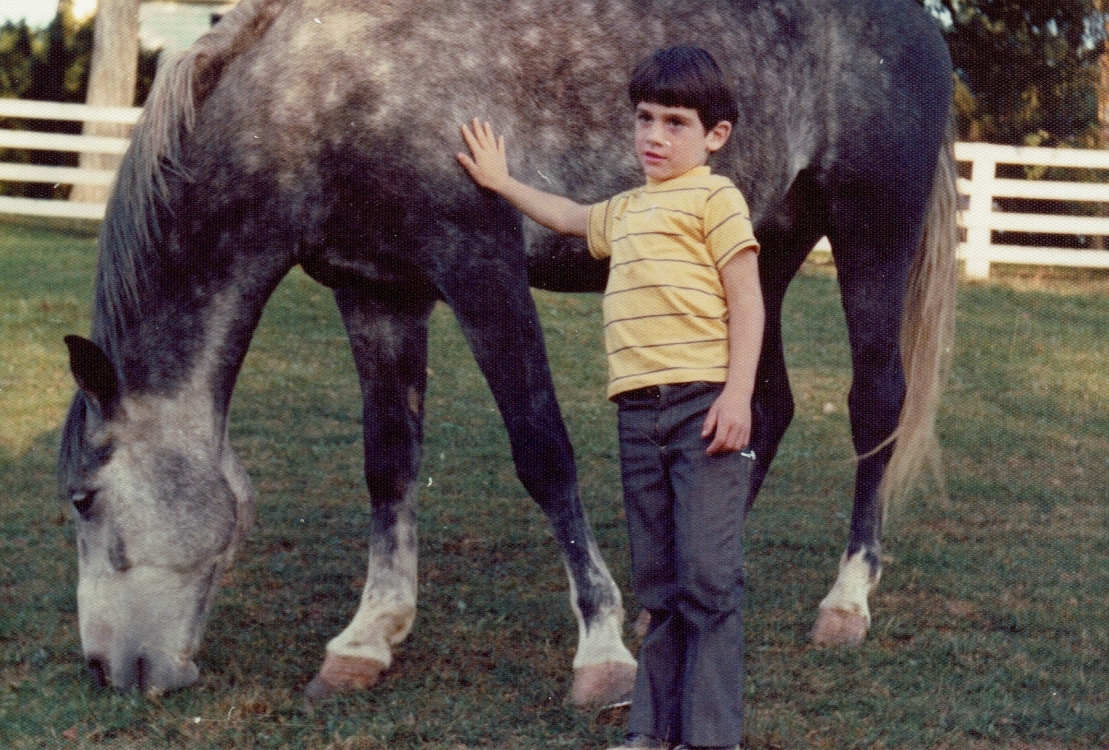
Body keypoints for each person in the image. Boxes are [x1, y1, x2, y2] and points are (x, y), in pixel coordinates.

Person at [457, 46, 763, 750]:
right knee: (657, 582)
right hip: (638, 414)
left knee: (707, 578)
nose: (654, 136)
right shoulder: (626, 210)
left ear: (715, 136)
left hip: (704, 407)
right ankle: (651, 730)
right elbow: (569, 216)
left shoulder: (715, 198)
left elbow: (746, 299)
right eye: (644, 118)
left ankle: (709, 737)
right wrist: (502, 183)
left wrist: (738, 394)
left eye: (676, 123)